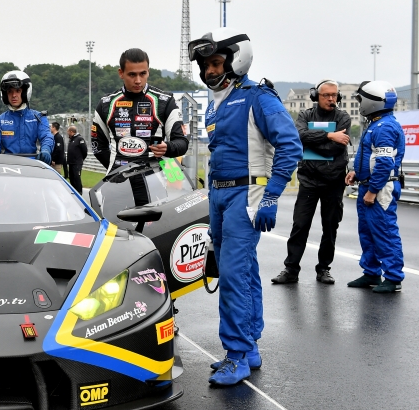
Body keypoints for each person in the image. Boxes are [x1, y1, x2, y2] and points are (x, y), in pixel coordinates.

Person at [187, 27, 301, 386]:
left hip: (246, 194)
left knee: (234, 276)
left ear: (236, 60)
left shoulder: (259, 97)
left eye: (216, 62)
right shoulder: (214, 102)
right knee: (243, 272)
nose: (209, 71)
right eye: (205, 65)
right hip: (219, 195)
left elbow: (290, 146)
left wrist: (271, 196)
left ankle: (235, 355)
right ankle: (248, 345)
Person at [272, 80, 351, 285]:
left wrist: (314, 141)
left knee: (330, 226)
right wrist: (329, 136)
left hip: (334, 181)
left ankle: (324, 269)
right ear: (317, 96)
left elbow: (335, 149)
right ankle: (291, 269)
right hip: (309, 180)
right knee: (300, 224)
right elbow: (298, 136)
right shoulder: (305, 115)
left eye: (334, 95)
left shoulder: (343, 117)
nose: (331, 99)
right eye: (326, 95)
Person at [345, 80, 405, 293]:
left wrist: (372, 191)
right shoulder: (377, 123)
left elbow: (384, 164)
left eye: (361, 99)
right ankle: (371, 273)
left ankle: (393, 277)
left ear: (372, 102)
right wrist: (355, 172)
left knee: (385, 231)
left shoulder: (385, 126)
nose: (359, 103)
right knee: (368, 232)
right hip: (369, 185)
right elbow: (370, 158)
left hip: (380, 189)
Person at [93, 48, 189, 180]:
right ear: (121, 73)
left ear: (148, 71)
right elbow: (98, 147)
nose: (138, 80)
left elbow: (182, 142)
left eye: (143, 74)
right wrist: (116, 170)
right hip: (116, 183)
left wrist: (167, 148)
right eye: (132, 75)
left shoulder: (165, 101)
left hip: (154, 182)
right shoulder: (106, 104)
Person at [0, 70, 53, 163]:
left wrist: (46, 150)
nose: (14, 95)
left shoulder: (39, 117)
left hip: (32, 166)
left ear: (25, 92)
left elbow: (46, 136)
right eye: (10, 91)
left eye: (18, 91)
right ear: (5, 94)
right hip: (8, 167)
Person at [66, 126, 88, 194]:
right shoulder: (71, 139)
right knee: (71, 178)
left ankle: (79, 192)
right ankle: (73, 191)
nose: (67, 133)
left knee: (76, 178)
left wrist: (80, 159)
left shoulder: (79, 139)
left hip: (77, 163)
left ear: (71, 132)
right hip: (71, 163)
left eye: (68, 132)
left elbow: (84, 151)